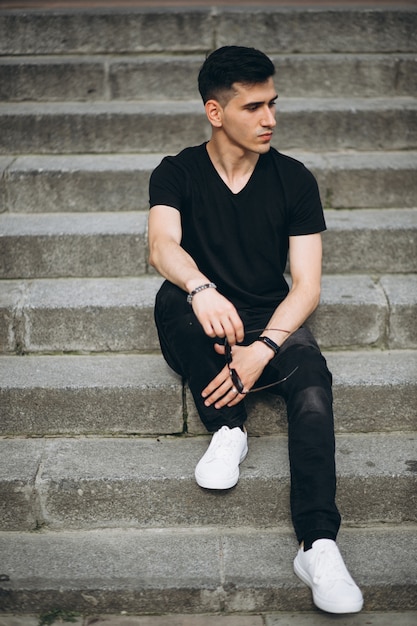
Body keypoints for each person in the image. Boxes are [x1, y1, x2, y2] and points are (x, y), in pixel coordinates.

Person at [148, 45, 363, 614]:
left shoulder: (293, 179)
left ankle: (317, 544)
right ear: (215, 112)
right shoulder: (177, 171)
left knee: (314, 384)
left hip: (270, 317)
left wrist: (263, 349)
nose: (270, 119)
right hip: (205, 314)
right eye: (253, 107)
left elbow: (307, 287)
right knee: (174, 302)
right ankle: (229, 429)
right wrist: (201, 288)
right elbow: (162, 245)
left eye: (273, 104)